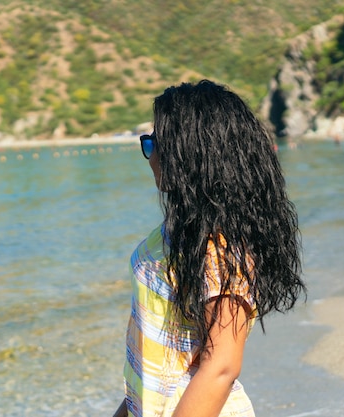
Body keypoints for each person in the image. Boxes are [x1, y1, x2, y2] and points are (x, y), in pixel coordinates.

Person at [113, 80, 305, 417]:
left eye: (156, 142)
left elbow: (221, 368)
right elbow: (162, 359)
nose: (150, 154)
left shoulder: (219, 250)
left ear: (191, 151)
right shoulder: (177, 233)